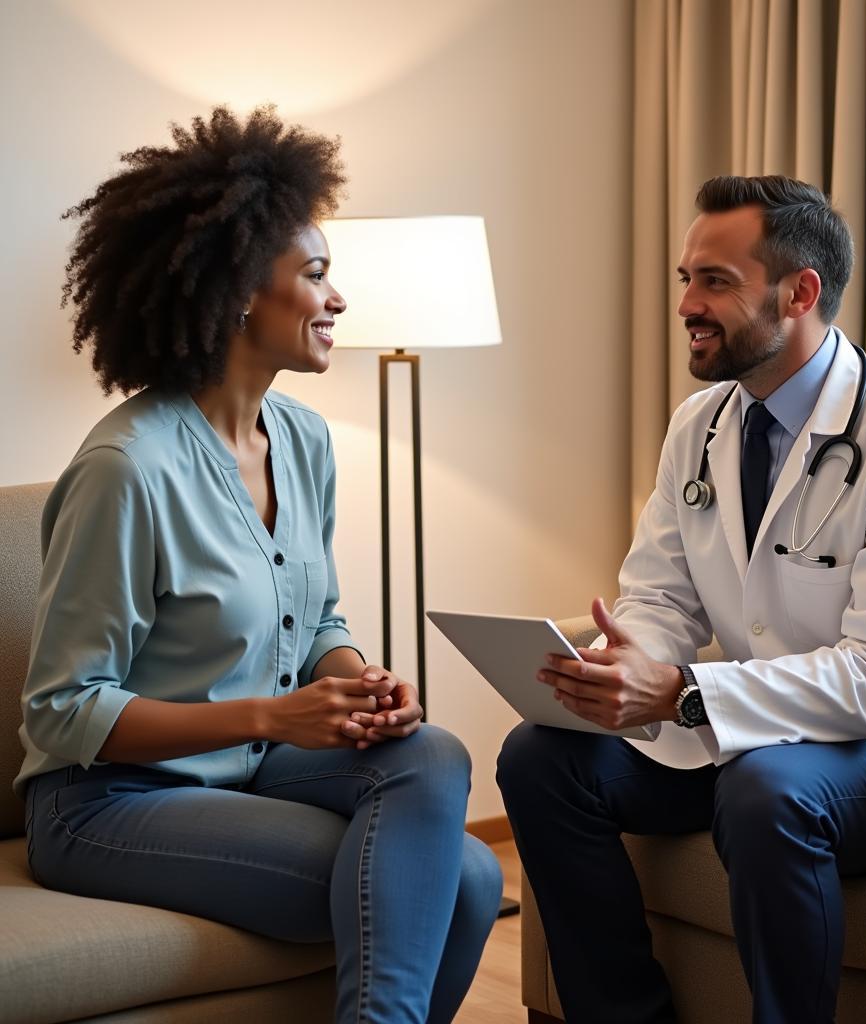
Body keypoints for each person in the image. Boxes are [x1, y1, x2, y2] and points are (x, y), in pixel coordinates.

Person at [497, 175, 866, 1024]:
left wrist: (683, 693)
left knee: (765, 792)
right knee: (542, 758)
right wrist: (627, 660)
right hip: (758, 720)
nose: (686, 306)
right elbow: (663, 597)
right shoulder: (701, 424)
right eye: (685, 279)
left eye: (715, 282)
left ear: (800, 292)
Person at [16, 105, 502, 1024]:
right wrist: (277, 715)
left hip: (250, 769)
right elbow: (63, 709)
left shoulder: (305, 439)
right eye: (317, 275)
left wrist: (357, 683)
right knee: (467, 879)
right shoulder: (128, 469)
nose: (339, 300)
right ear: (243, 289)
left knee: (430, 754)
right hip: (106, 804)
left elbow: (316, 620)